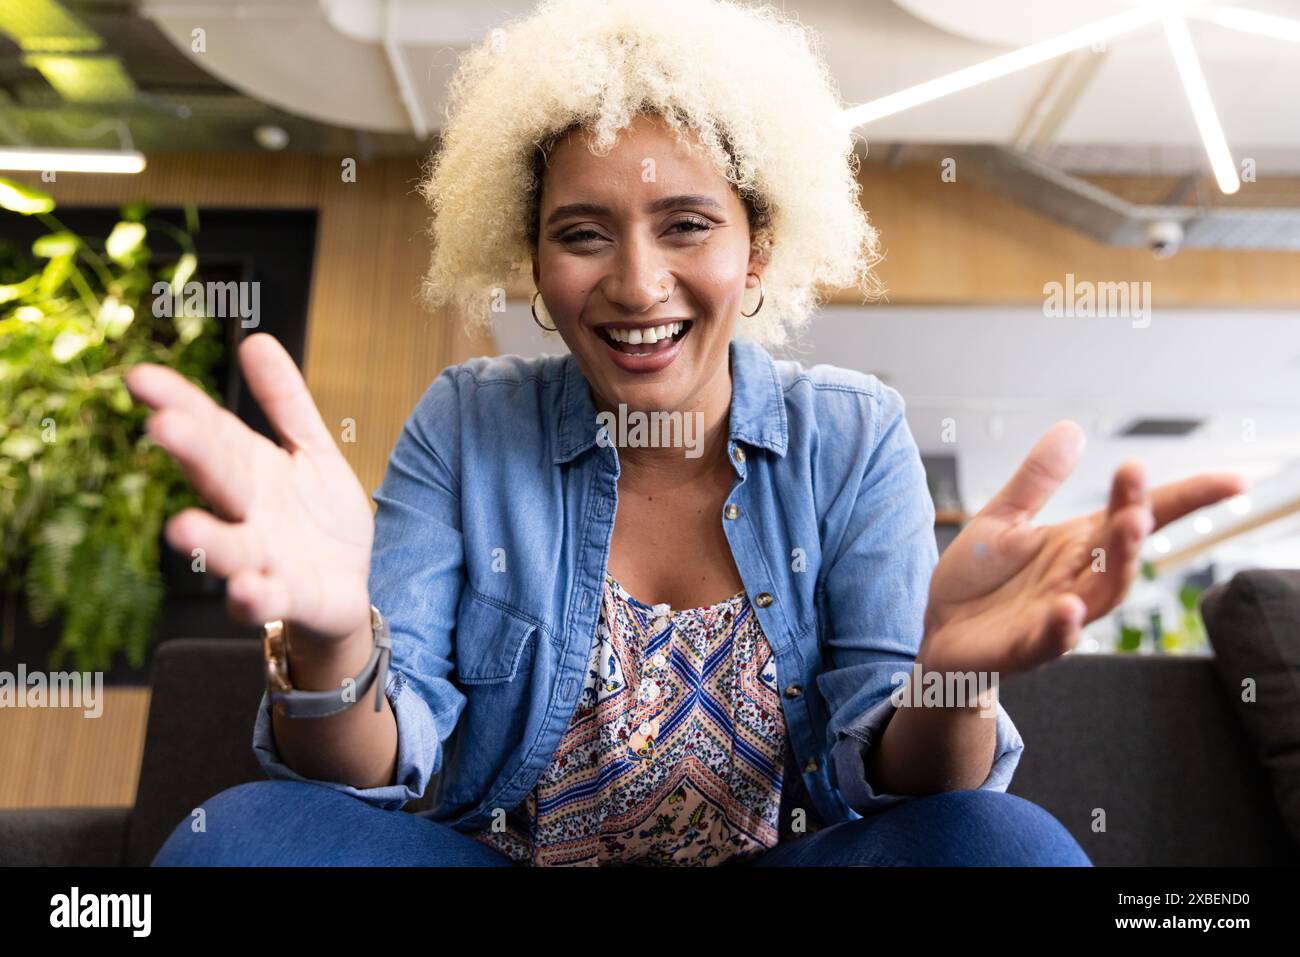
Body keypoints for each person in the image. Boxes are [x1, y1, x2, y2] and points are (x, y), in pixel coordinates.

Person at [134, 0, 1245, 866]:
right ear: (530, 260)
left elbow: (897, 797)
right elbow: (382, 774)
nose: (634, 282)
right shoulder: (468, 423)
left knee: (1006, 846)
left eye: (686, 225)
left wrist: (948, 680)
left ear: (757, 249)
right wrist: (331, 643)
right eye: (581, 232)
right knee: (238, 839)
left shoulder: (850, 437)